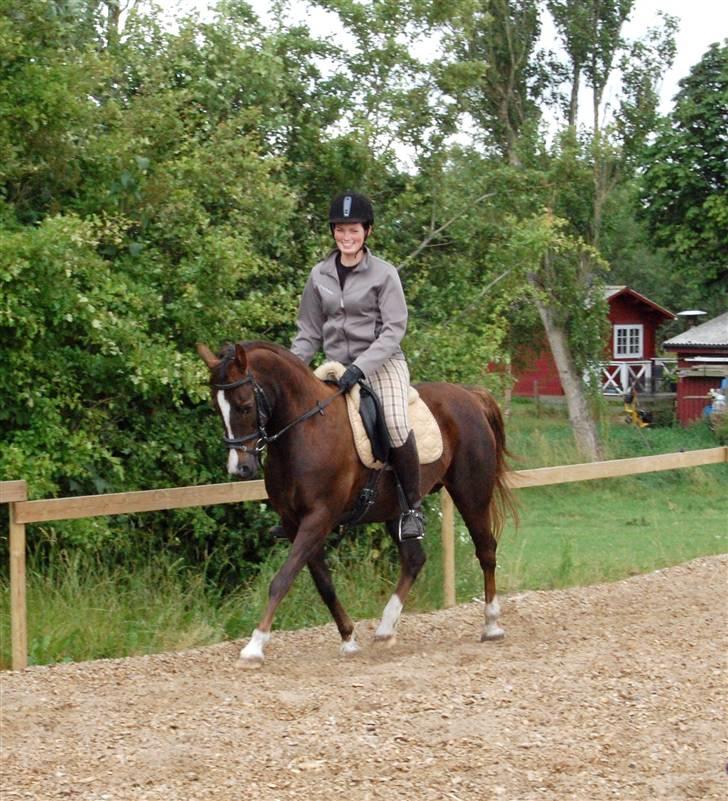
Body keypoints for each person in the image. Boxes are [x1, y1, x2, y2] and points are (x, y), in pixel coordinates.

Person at [289, 191, 425, 540]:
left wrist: (361, 368)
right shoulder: (318, 275)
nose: (346, 237)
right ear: (333, 231)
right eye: (340, 230)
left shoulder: (384, 274)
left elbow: (394, 329)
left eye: (354, 230)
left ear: (367, 231)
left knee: (394, 421)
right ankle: (295, 506)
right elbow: (308, 331)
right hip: (336, 366)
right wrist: (293, 369)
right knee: (301, 420)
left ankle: (412, 508)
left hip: (382, 363)